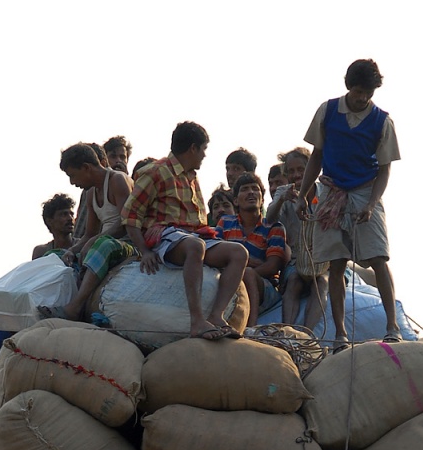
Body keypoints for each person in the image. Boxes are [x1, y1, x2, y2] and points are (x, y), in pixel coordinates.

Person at [296, 58, 402, 348]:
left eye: (368, 93)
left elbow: (384, 168)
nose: (362, 98)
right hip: (331, 190)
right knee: (337, 261)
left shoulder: (382, 121)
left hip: (365, 191)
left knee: (378, 257)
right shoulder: (328, 111)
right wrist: (305, 194)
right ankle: (340, 333)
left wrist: (371, 204)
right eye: (358, 92)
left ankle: (392, 326)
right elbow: (316, 155)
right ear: (348, 86)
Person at [122, 121, 248, 340]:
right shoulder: (154, 172)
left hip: (193, 236)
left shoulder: (191, 176)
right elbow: (131, 215)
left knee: (239, 253)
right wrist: (145, 251)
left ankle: (216, 315)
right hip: (165, 235)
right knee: (194, 246)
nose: (204, 156)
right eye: (203, 150)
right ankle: (197, 320)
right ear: (193, 148)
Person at [38, 142, 135, 323]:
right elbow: (89, 234)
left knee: (102, 245)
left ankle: (76, 306)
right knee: (54, 254)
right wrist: (71, 251)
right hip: (104, 241)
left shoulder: (117, 180)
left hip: (128, 243)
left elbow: (125, 223)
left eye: (73, 175)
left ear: (86, 168)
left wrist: (95, 240)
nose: (72, 182)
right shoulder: (91, 194)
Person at [267, 147, 328, 330]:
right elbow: (269, 219)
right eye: (291, 171)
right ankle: (288, 331)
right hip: (297, 259)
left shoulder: (325, 190)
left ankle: (307, 334)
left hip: (325, 258)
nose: (297, 175)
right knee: (294, 281)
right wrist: (281, 200)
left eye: (301, 169)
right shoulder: (284, 192)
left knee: (321, 282)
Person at [215, 172, 287, 325]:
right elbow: (216, 254)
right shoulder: (224, 223)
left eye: (255, 189)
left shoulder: (274, 227)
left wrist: (239, 271)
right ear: (235, 200)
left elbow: (273, 266)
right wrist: (249, 262)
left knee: (247, 273)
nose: (251, 192)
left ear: (262, 198)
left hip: (265, 288)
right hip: (230, 278)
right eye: (245, 189)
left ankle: (250, 327)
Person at [32, 193, 75, 260]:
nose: (70, 218)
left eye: (71, 214)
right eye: (64, 214)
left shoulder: (82, 246)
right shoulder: (41, 252)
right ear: (49, 221)